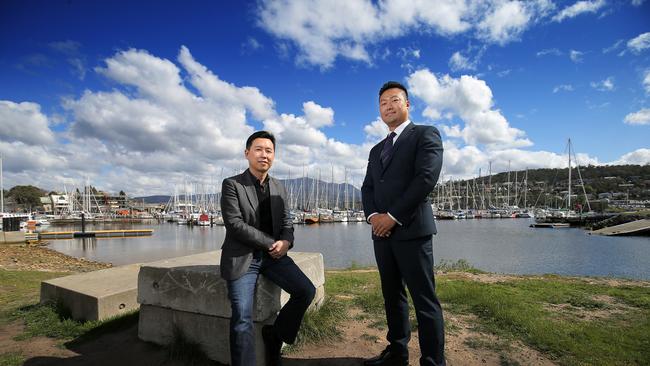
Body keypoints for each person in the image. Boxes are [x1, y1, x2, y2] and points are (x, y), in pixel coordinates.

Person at [361, 81, 445, 366]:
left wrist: (392, 217)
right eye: (383, 103)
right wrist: (374, 217)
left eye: (394, 100)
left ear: (407, 104)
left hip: (411, 231)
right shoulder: (376, 150)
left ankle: (433, 361)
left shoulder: (425, 134)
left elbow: (425, 179)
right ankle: (397, 353)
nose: (388, 106)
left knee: (424, 300)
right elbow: (368, 188)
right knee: (392, 296)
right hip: (381, 235)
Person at [220, 130, 316, 366]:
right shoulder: (232, 184)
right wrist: (271, 243)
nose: (264, 155)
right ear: (247, 153)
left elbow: (287, 223)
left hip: (274, 256)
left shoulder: (279, 187)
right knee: (242, 318)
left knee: (306, 291)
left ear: (274, 156)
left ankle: (275, 336)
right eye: (259, 149)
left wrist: (286, 242)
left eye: (269, 151)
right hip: (243, 257)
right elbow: (234, 224)